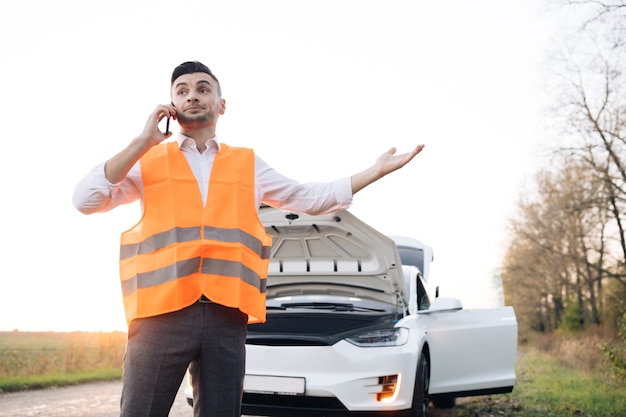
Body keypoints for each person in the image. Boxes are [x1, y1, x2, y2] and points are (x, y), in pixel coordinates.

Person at [72, 60, 425, 417]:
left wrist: (374, 171)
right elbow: (85, 200)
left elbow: (308, 198)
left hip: (227, 317)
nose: (192, 95)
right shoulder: (146, 161)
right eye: (182, 91)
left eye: (202, 88)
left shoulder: (247, 164)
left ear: (221, 105)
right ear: (171, 107)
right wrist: (141, 142)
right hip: (159, 313)